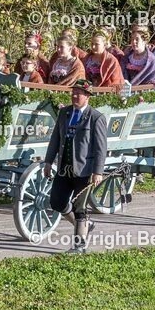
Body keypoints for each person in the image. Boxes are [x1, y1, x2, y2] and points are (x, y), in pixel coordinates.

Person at [43, 79, 108, 254]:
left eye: (78, 93)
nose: (74, 96)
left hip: (84, 171)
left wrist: (97, 171)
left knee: (80, 207)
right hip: (64, 168)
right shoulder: (64, 113)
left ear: (87, 96)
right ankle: (87, 225)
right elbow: (55, 139)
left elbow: (101, 148)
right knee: (57, 202)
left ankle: (80, 246)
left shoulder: (96, 118)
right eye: (73, 93)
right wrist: (48, 161)